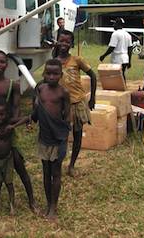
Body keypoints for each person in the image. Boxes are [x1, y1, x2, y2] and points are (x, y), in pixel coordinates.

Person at [0, 50, 35, 210]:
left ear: (7, 64)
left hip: (9, 129)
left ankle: (32, 201)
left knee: (19, 165)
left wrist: (12, 126)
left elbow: (16, 108)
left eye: (2, 62)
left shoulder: (14, 85)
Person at [31, 59, 71, 221]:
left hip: (58, 138)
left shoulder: (63, 93)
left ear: (61, 75)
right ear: (44, 74)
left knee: (56, 172)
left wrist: (65, 138)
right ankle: (48, 203)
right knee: (46, 172)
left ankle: (53, 206)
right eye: (49, 73)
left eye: (55, 74)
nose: (52, 76)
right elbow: (35, 114)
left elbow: (67, 116)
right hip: (44, 138)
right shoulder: (40, 89)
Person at [55, 30, 96, 177]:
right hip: (60, 105)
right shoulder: (54, 62)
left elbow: (92, 75)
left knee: (77, 135)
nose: (64, 44)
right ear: (57, 41)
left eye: (67, 41)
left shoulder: (77, 60)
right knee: (62, 136)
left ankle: (71, 165)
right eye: (61, 40)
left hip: (77, 102)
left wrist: (92, 98)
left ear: (71, 44)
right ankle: (58, 164)